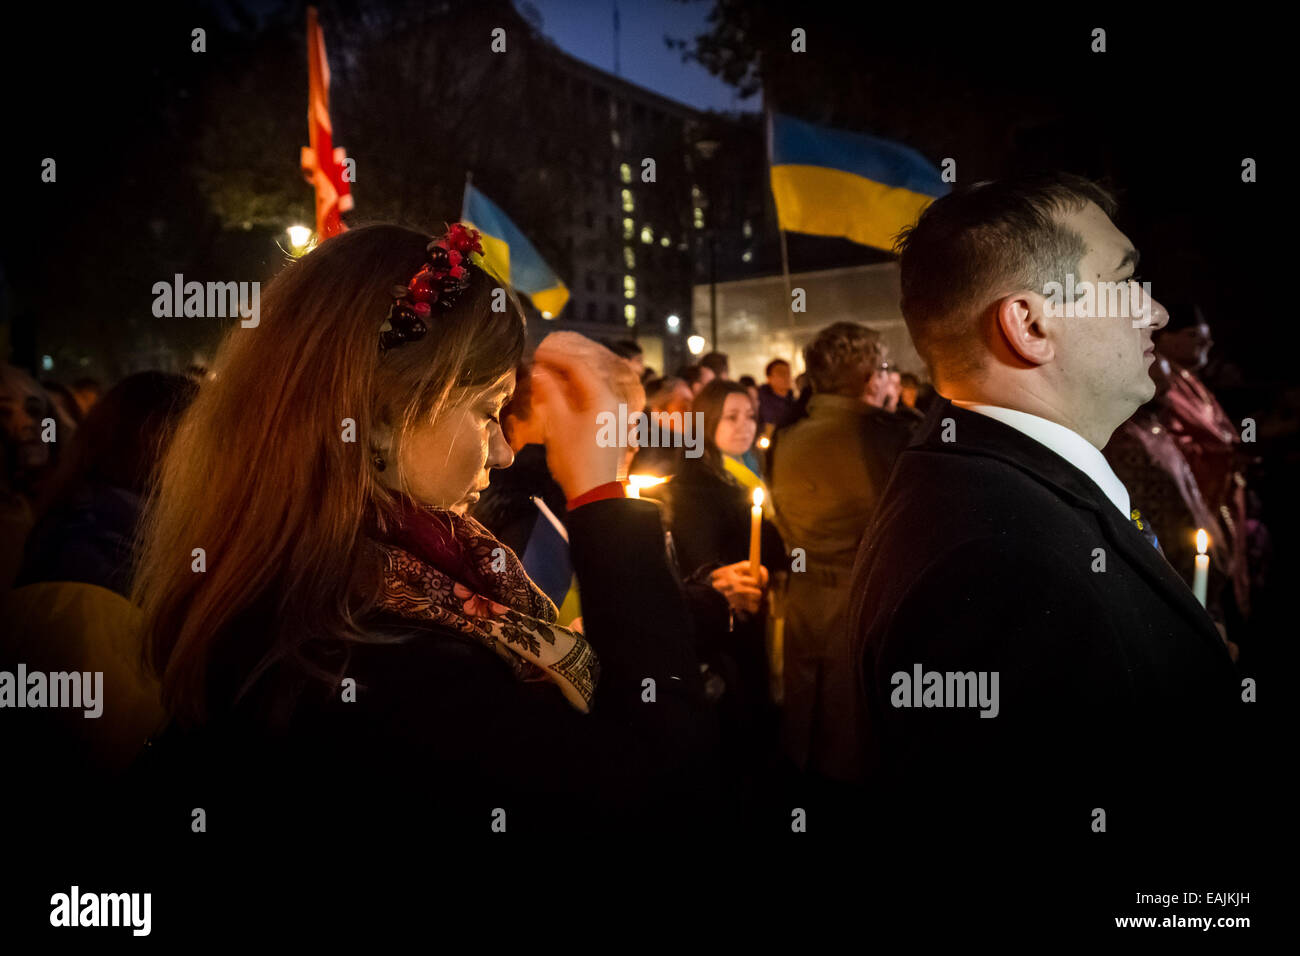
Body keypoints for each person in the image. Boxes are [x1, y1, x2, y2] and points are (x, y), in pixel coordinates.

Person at [127, 224, 719, 842]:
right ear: (380, 420)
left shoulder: (361, 585)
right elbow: (659, 793)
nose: (505, 451)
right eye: (488, 410)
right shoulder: (368, 666)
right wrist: (600, 497)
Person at [844, 175, 1240, 845]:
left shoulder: (983, 487)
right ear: (1029, 325)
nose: (1157, 313)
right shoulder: (997, 565)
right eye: (1126, 281)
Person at [766, 323, 912, 782]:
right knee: (851, 738)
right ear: (870, 378)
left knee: (804, 726)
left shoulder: (788, 436)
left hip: (805, 598)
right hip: (863, 602)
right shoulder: (890, 437)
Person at [642, 379, 785, 806]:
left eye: (751, 416)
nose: (745, 426)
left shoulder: (735, 469)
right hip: (727, 628)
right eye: (731, 416)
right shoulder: (697, 483)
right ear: (705, 421)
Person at [18, 372, 198, 595]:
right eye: (203, 436)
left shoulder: (135, 525)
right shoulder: (94, 547)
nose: (219, 455)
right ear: (155, 438)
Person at [1154, 303, 1257, 618]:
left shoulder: (1191, 380)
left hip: (1219, 502)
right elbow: (1164, 445)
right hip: (1182, 505)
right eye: (1193, 336)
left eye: (1208, 338)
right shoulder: (1160, 379)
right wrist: (1222, 456)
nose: (1206, 344)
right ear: (1165, 338)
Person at [757, 358, 799, 432]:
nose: (786, 377)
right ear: (769, 378)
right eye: (781, 374)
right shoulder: (759, 401)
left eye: (788, 373)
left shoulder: (795, 402)